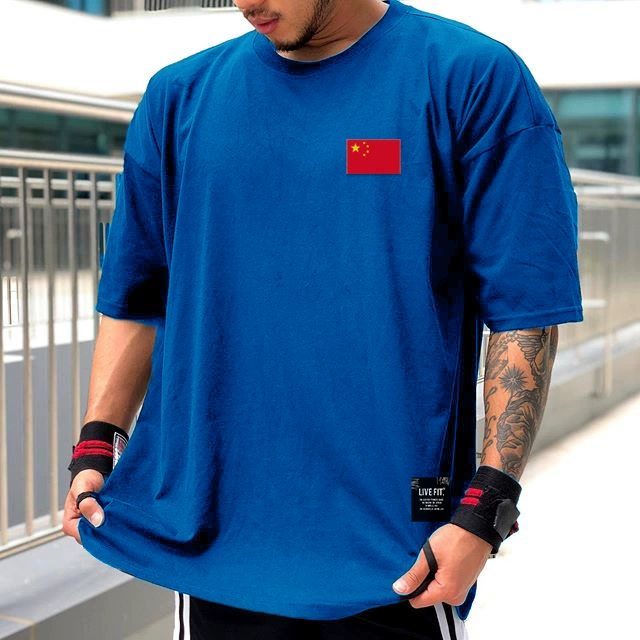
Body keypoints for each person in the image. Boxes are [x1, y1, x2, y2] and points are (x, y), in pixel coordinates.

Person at [62, 0, 583, 638]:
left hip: (395, 548)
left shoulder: (470, 76)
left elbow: (524, 310)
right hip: (213, 539)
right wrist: (97, 442)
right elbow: (137, 294)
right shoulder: (179, 96)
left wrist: (487, 506)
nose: (246, 3)